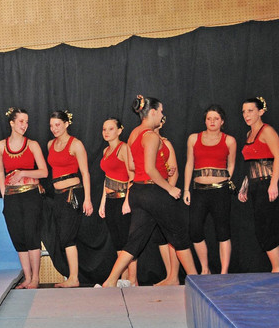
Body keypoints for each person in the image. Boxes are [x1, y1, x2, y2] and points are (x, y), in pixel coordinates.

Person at [102, 96, 197, 287]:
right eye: (161, 111)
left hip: (138, 192)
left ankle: (110, 281)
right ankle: (197, 280)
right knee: (179, 235)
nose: (162, 115)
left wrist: (163, 170)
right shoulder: (151, 136)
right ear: (153, 112)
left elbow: (132, 165)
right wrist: (170, 188)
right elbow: (150, 169)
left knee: (135, 240)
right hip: (154, 192)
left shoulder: (134, 134)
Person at [0, 108, 48, 289]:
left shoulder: (32, 145)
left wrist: (23, 172)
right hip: (11, 197)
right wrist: (4, 194)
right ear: (12, 123)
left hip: (31, 195)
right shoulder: (0, 146)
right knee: (18, 236)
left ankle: (35, 278)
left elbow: (44, 172)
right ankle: (27, 277)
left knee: (32, 235)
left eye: (26, 122)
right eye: (21, 121)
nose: (25, 125)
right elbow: (0, 171)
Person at [183, 105, 236, 275]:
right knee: (195, 230)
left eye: (216, 119)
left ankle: (224, 272)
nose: (212, 121)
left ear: (222, 121)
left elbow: (231, 164)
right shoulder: (193, 138)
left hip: (220, 191)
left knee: (223, 231)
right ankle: (205, 269)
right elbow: (189, 164)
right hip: (199, 191)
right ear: (205, 121)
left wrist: (226, 181)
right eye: (209, 118)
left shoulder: (229, 140)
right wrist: (186, 189)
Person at [45, 111, 94, 287]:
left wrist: (87, 199)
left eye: (57, 124)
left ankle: (74, 278)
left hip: (72, 194)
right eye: (51, 126)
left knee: (67, 236)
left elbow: (85, 173)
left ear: (66, 124)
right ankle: (72, 276)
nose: (54, 129)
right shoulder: (50, 144)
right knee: (63, 235)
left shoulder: (76, 144)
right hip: (58, 195)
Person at [238, 97, 279, 272]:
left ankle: (276, 269)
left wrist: (273, 184)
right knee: (269, 226)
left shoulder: (267, 131)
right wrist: (245, 186)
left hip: (267, 185)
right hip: (256, 185)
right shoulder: (248, 134)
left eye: (250, 111)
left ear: (261, 112)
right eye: (244, 111)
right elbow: (252, 164)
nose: (246, 115)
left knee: (266, 227)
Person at [98, 117, 136, 285]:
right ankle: (124, 278)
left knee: (128, 241)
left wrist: (127, 200)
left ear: (120, 130)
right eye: (104, 129)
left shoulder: (124, 148)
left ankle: (133, 280)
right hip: (111, 200)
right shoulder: (105, 151)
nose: (106, 132)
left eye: (111, 129)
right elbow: (106, 179)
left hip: (122, 200)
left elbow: (132, 175)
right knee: (118, 241)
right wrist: (102, 202)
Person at [153, 117, 182, 286]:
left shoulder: (165, 144)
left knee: (171, 236)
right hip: (151, 194)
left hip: (166, 194)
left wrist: (168, 191)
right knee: (160, 237)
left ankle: (174, 276)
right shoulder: (145, 141)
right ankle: (169, 274)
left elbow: (174, 171)